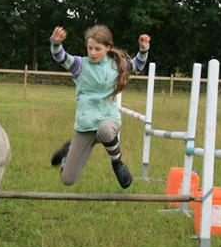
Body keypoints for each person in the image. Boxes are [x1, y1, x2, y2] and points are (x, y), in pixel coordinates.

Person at [49, 25, 150, 189]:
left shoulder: (116, 65)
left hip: (108, 120)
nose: (93, 53)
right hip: (85, 124)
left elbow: (137, 65)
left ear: (108, 48)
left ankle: (117, 163)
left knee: (104, 130)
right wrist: (55, 43)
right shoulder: (80, 65)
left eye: (97, 49)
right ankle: (68, 152)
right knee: (67, 179)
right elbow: (60, 57)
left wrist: (143, 50)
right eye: (90, 48)